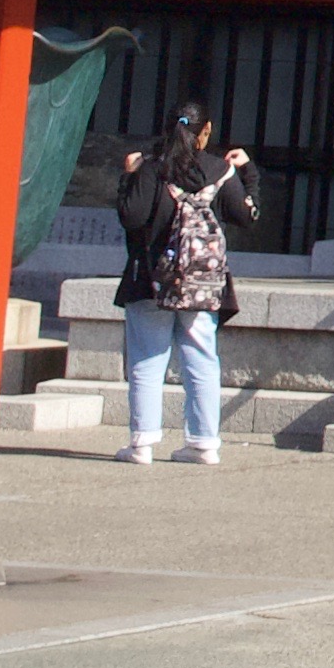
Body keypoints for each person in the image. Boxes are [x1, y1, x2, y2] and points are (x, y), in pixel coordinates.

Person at [115, 101, 250, 465]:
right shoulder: (221, 170)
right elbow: (245, 214)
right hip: (201, 285)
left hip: (151, 280)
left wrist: (129, 176)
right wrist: (247, 172)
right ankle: (204, 443)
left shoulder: (151, 169)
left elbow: (131, 217)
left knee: (146, 357)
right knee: (202, 359)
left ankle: (142, 443)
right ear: (205, 132)